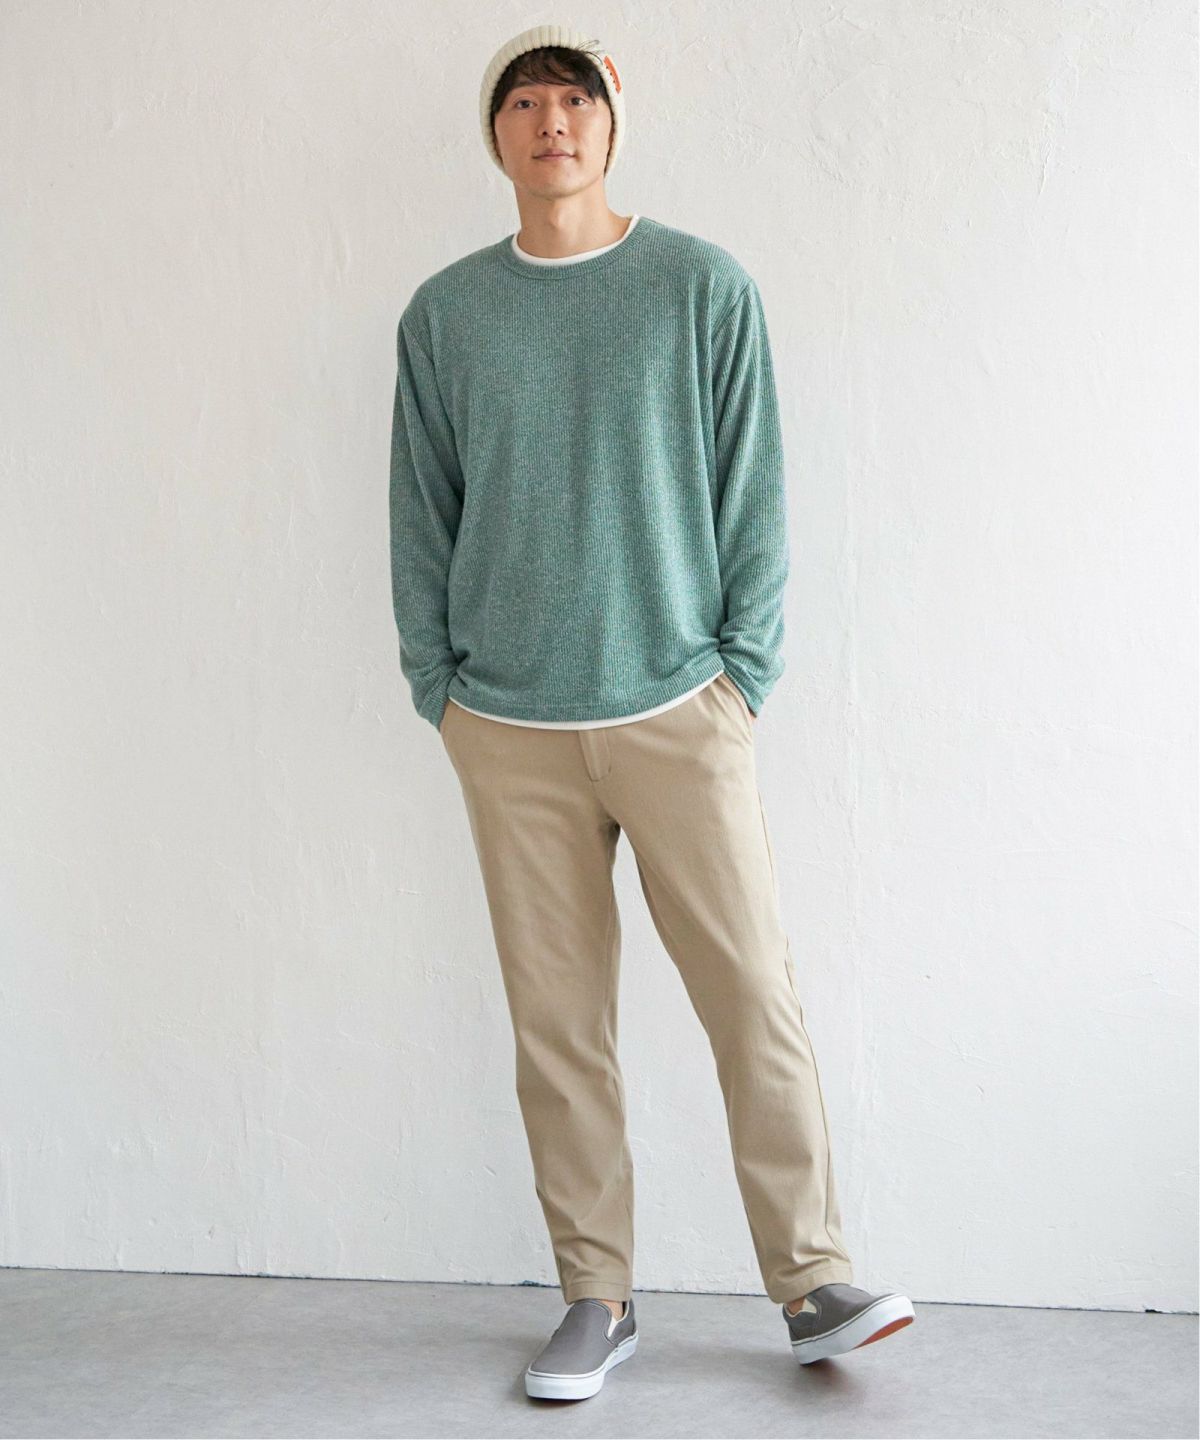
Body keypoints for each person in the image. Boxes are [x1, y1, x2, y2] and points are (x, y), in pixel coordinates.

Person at [389, 24, 914, 1401]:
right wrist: (439, 688)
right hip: (507, 726)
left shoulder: (701, 286)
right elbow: (418, 512)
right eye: (523, 101)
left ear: (612, 125)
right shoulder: (444, 315)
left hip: (681, 706)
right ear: (496, 135)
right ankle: (595, 1298)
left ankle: (813, 1281)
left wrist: (742, 675)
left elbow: (756, 492)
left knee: (752, 998)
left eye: (574, 98)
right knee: (558, 1028)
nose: (550, 120)